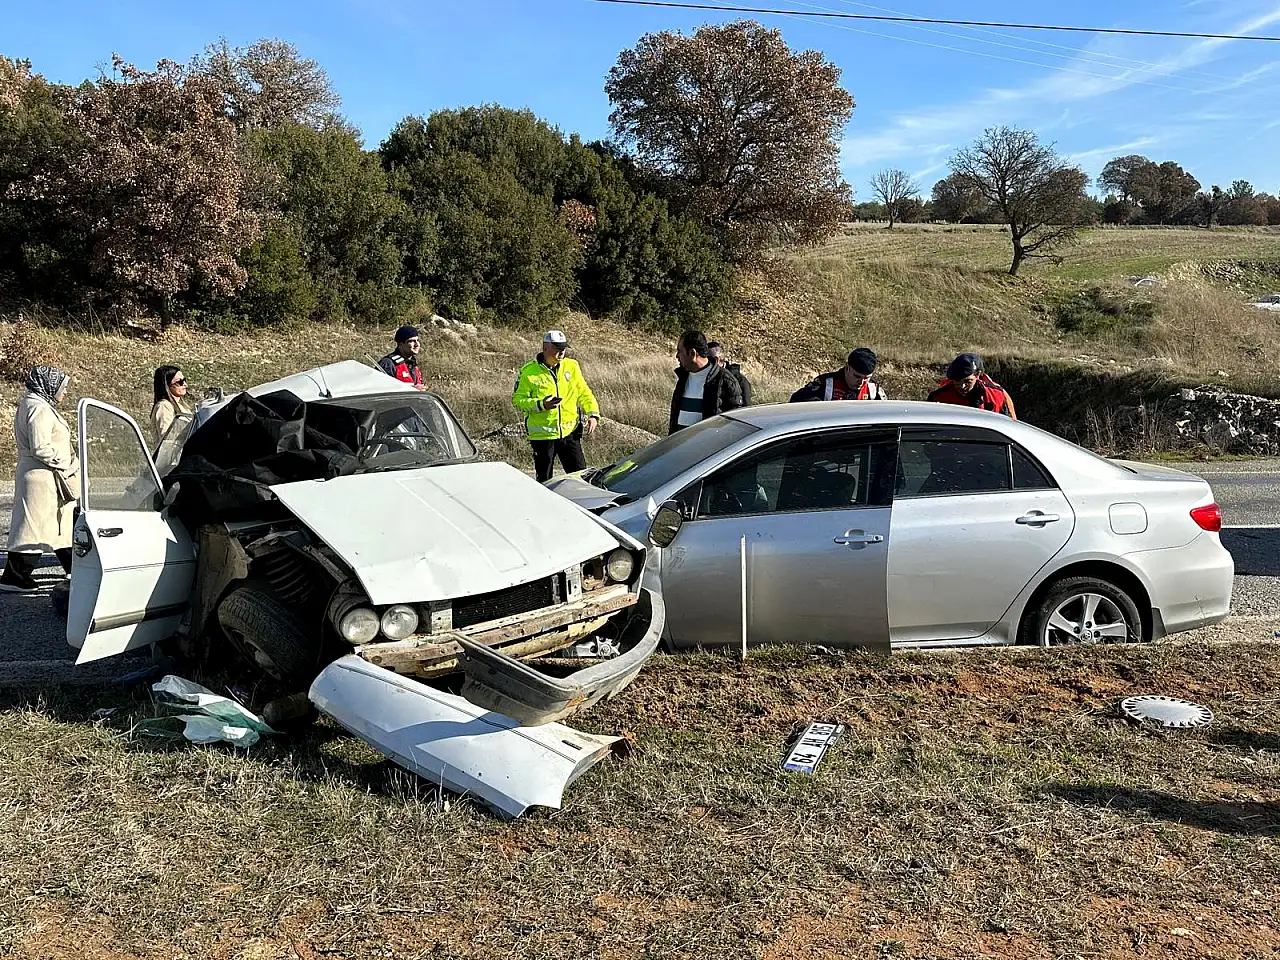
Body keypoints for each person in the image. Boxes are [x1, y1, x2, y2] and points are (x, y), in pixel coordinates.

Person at [1, 366, 79, 592]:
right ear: (49, 386)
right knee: (32, 526)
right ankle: (15, 576)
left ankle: (73, 566)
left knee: (58, 523)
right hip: (41, 475)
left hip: (42, 474)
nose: (64, 393)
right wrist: (66, 463)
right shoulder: (39, 408)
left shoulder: (35, 403)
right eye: (62, 388)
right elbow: (40, 447)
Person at [512, 330, 601, 482]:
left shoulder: (572, 366)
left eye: (564, 348)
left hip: (570, 433)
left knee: (582, 478)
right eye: (558, 348)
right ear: (546, 347)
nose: (562, 351)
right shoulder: (528, 372)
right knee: (545, 481)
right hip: (543, 437)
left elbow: (584, 392)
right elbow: (518, 401)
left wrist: (593, 414)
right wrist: (541, 405)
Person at [669, 330, 744, 434]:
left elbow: (734, 425)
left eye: (679, 351)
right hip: (680, 447)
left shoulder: (725, 380)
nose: (677, 356)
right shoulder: (683, 379)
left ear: (692, 353)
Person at [927, 352, 1017, 418]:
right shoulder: (938, 399)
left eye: (968, 381)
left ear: (978, 375)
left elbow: (1010, 426)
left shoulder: (997, 395)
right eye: (957, 381)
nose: (962, 386)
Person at [789, 347, 887, 402]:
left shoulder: (873, 391)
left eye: (866, 378)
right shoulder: (825, 385)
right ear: (847, 368)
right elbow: (795, 404)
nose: (861, 382)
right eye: (857, 376)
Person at [151, 365, 191, 447]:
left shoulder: (184, 407)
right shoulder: (163, 406)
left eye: (184, 380)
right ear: (167, 385)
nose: (185, 385)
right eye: (179, 382)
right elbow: (166, 438)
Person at [377, 325, 424, 389]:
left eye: (417, 340)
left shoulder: (413, 366)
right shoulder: (388, 364)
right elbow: (380, 391)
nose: (417, 344)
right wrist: (411, 390)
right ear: (400, 344)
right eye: (411, 341)